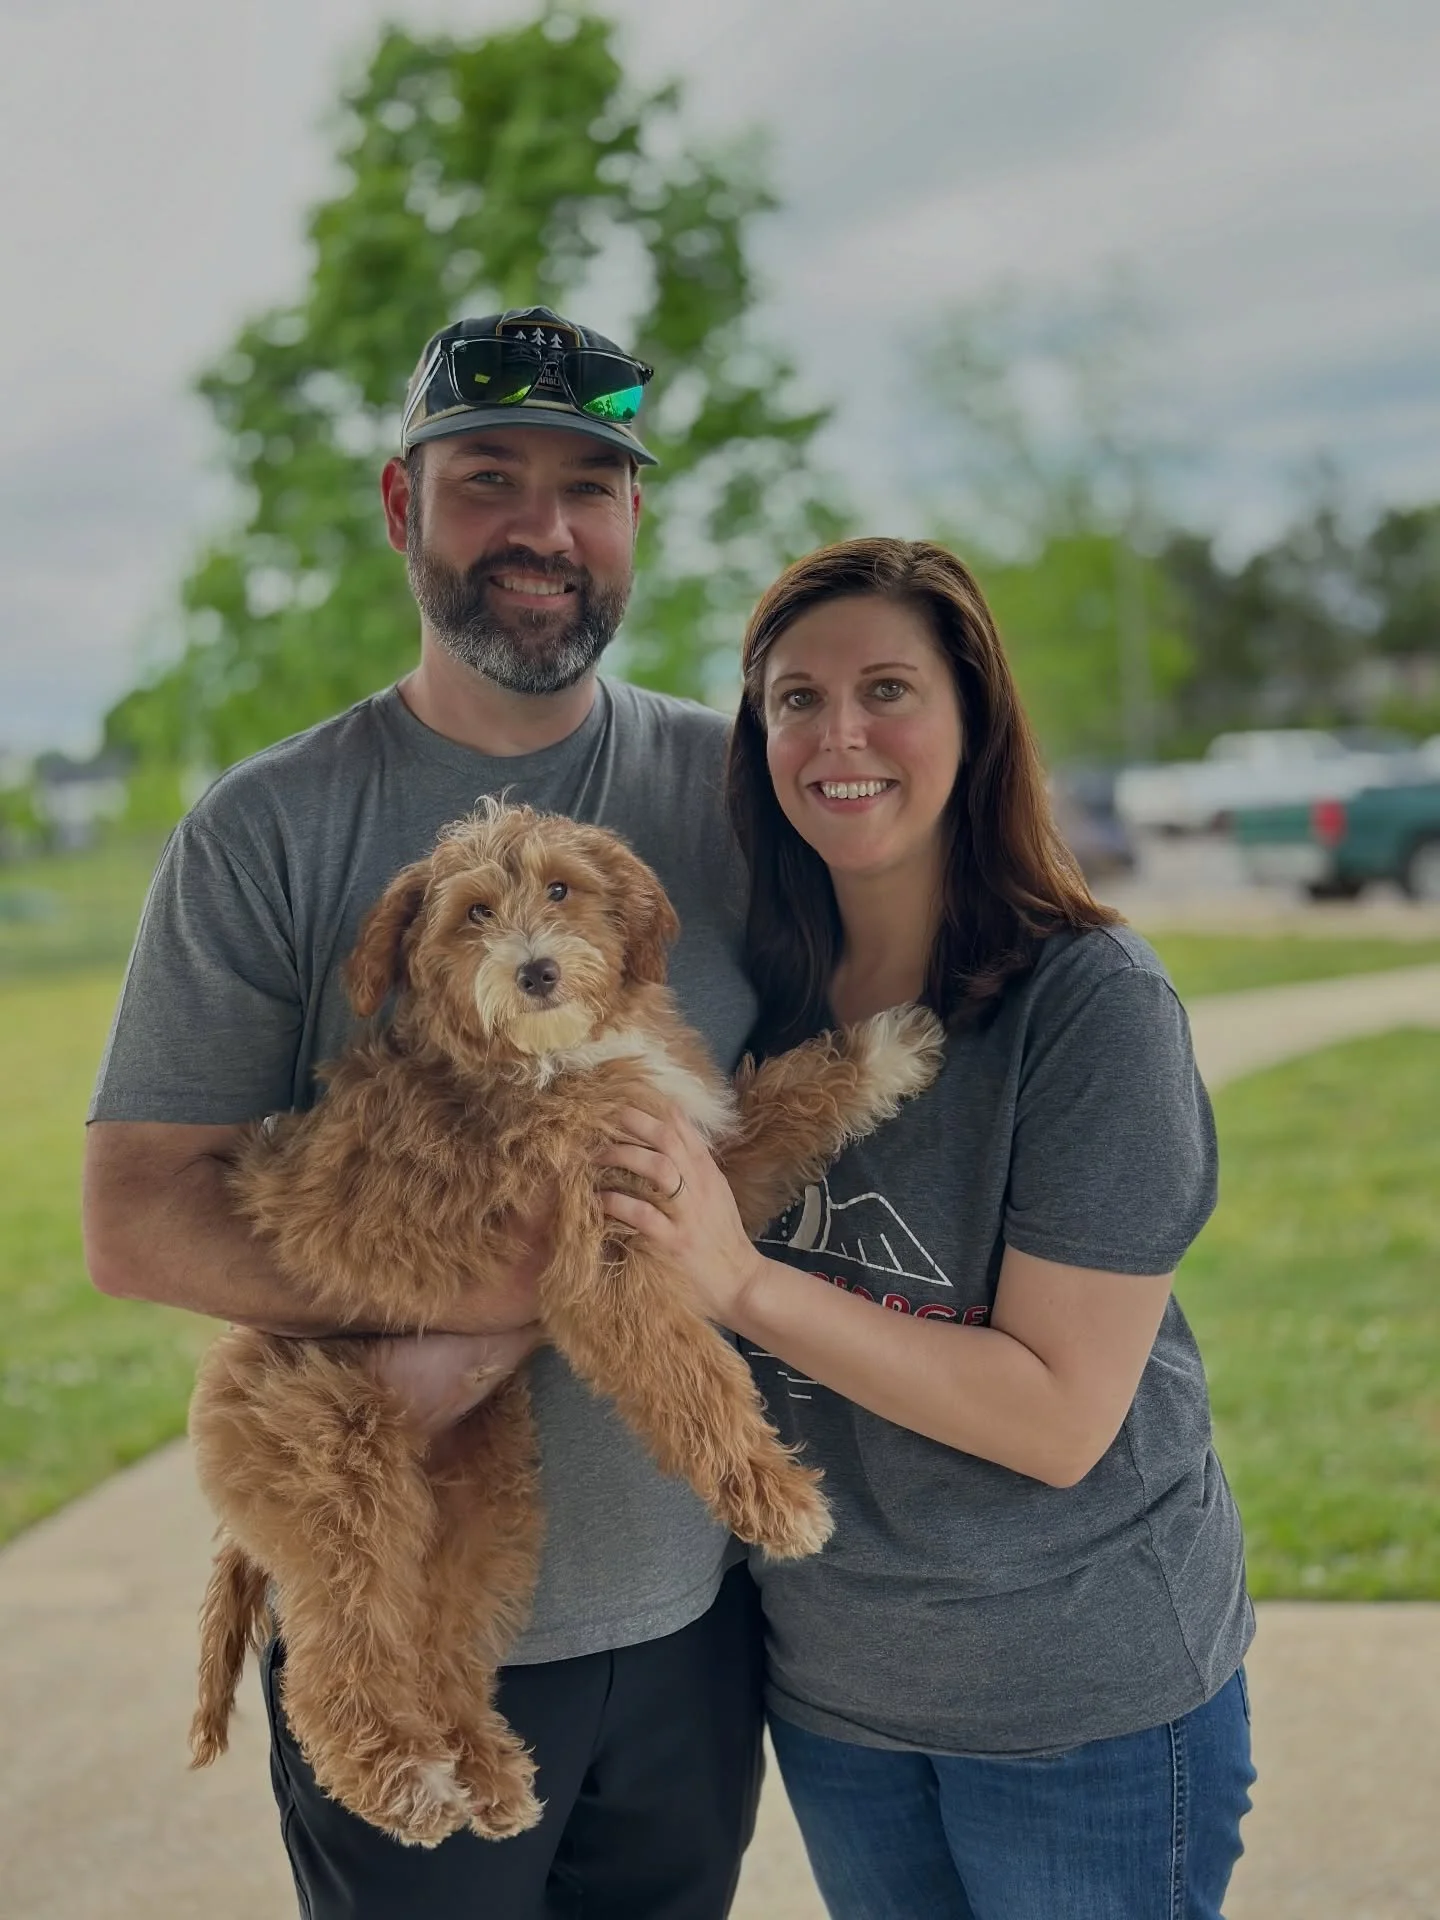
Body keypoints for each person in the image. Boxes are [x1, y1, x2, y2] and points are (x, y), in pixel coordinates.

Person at [82, 305, 766, 1920]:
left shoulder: (740, 794)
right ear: (406, 506)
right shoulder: (265, 831)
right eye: (489, 480)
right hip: (412, 1628)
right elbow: (136, 1217)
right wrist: (503, 1297)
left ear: (633, 521)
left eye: (588, 485)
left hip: (693, 1623)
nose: (543, 529)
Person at [597, 537, 1256, 1920]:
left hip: (1081, 1701)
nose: (840, 735)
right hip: (840, 1696)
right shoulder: (749, 998)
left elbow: (1058, 1416)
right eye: (794, 699)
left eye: (888, 688)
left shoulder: (1090, 1008)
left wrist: (741, 1283)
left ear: (973, 720)